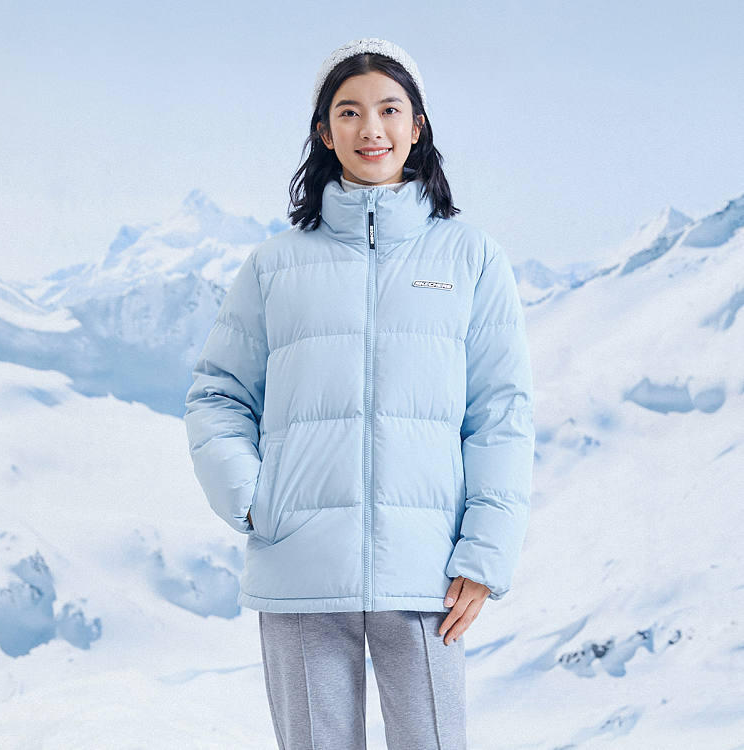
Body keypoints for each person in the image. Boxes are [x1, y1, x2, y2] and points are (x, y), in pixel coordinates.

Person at [184, 37, 535, 750]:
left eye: (389, 109)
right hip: (299, 567)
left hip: (428, 575)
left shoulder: (471, 257)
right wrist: (252, 499)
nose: (371, 129)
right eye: (349, 112)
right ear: (325, 132)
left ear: (417, 125)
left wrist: (484, 554)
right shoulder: (275, 265)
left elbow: (500, 414)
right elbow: (218, 394)